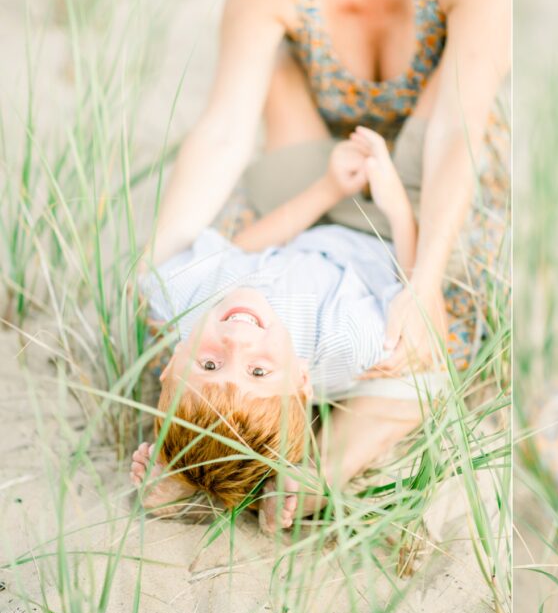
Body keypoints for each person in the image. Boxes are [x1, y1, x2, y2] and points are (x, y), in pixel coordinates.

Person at [149, 0, 510, 380]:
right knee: (196, 321)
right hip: (326, 166)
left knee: (423, 348)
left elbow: (457, 131)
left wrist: (425, 283)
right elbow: (223, 132)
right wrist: (157, 267)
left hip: (436, 163)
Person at [131, 127, 433, 531]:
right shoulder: (349, 336)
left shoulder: (183, 296)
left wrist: (328, 189)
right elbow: (411, 291)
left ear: (172, 362)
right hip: (368, 248)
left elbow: (244, 253)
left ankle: (190, 471)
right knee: (415, 389)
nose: (236, 342)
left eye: (207, 364)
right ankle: (306, 478)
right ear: (301, 378)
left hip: (309, 239)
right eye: (257, 372)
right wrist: (396, 209)